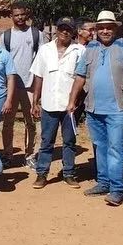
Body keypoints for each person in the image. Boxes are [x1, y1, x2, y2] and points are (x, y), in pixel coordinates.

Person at [67, 10, 123, 206]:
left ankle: (118, 188)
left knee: (116, 148)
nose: (104, 31)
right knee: (99, 146)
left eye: (108, 27)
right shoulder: (91, 48)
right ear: (96, 30)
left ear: (114, 29)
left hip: (117, 108)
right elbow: (80, 76)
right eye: (101, 28)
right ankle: (103, 182)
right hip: (93, 108)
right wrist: (72, 100)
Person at [30, 16, 85, 189]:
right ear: (57, 30)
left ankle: (69, 173)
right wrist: (35, 102)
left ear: (73, 32)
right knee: (47, 141)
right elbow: (38, 76)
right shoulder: (45, 50)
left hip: (70, 107)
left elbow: (82, 78)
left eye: (68, 29)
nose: (64, 32)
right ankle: (42, 174)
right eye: (61, 28)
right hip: (48, 103)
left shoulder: (79, 51)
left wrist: (77, 101)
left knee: (69, 141)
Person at [0, 2, 45, 168]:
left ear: (27, 15)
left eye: (22, 14)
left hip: (30, 85)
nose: (19, 17)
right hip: (11, 86)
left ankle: (30, 154)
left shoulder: (36, 35)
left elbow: (42, 60)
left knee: (31, 122)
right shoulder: (5, 37)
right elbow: (1, 61)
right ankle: (7, 154)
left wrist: (39, 86)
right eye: (16, 15)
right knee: (8, 123)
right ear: (11, 16)